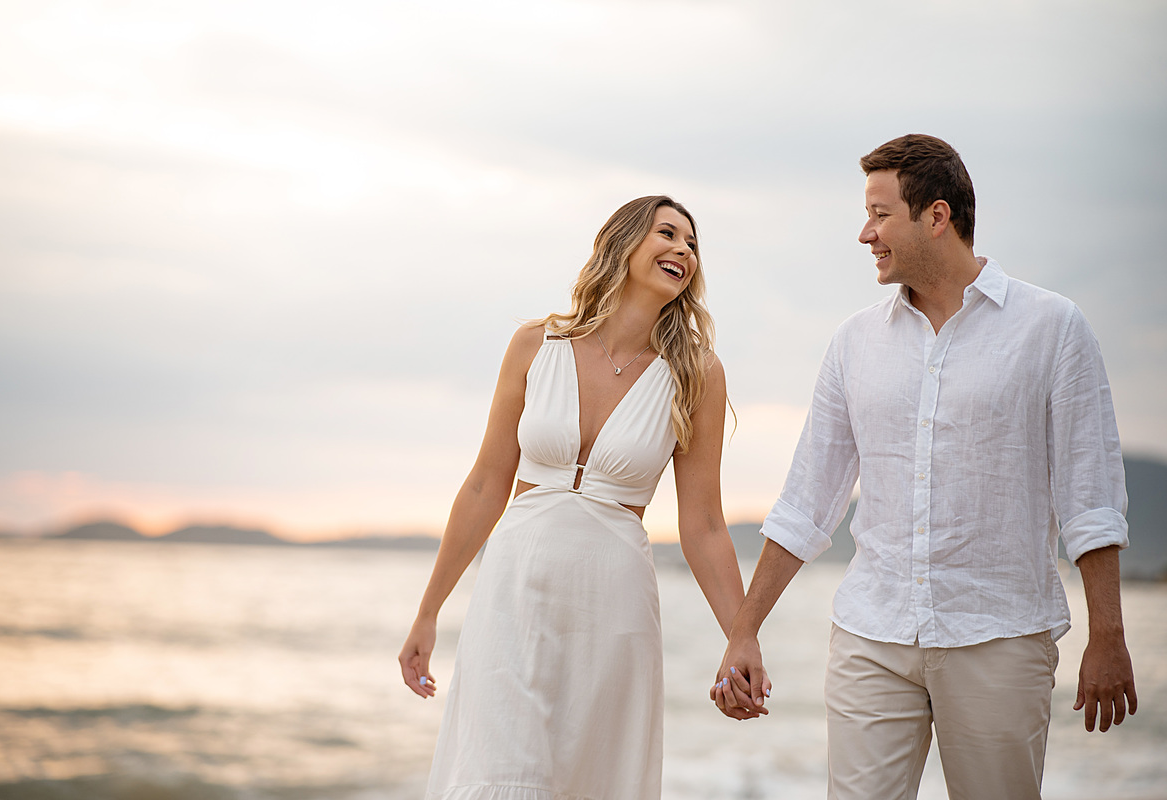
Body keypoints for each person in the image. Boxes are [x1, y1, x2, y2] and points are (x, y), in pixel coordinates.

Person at [712, 134, 1137, 799]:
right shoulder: (854, 344)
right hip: (871, 634)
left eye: (880, 214)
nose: (865, 233)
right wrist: (743, 633)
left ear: (936, 217)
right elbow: (806, 502)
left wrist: (1107, 636)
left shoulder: (1053, 328)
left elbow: (1090, 497)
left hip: (999, 632)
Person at [399, 195, 746, 800]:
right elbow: (485, 484)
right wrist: (428, 612)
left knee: (593, 779)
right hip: (515, 590)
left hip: (613, 607)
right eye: (668, 233)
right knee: (498, 771)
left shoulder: (697, 374)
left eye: (692, 244)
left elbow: (706, 527)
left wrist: (741, 637)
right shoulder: (536, 344)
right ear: (623, 242)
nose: (683, 251)